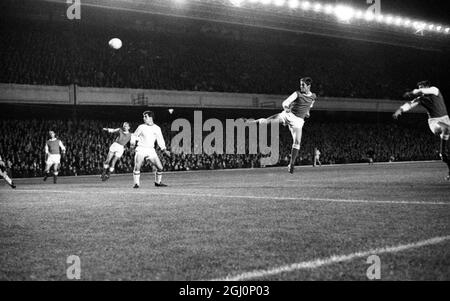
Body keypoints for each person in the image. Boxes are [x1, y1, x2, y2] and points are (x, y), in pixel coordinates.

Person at [247, 77, 317, 173]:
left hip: (298, 121)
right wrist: (286, 107)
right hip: (288, 115)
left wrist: (307, 112)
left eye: (303, 85)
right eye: (300, 84)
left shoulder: (313, 96)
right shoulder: (297, 93)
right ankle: (251, 122)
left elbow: (310, 106)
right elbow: (285, 102)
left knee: (297, 142)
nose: (301, 86)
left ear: (308, 86)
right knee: (267, 121)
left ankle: (291, 164)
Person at [393, 80, 450, 180]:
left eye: (421, 87)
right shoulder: (421, 99)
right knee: (445, 128)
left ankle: (443, 154)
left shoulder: (435, 90)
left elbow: (423, 91)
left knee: (444, 155)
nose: (420, 90)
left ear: (426, 86)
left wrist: (412, 92)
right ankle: (443, 150)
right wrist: (400, 110)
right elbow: (410, 104)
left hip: (446, 119)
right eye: (419, 88)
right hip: (434, 122)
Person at [130, 111, 171, 188]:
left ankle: (158, 182)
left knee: (160, 168)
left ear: (151, 118)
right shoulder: (141, 127)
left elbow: (160, 140)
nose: (144, 118)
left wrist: (164, 149)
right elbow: (134, 136)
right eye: (144, 116)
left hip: (150, 150)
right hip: (141, 148)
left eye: (145, 116)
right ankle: (136, 184)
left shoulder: (157, 128)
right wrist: (132, 144)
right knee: (137, 166)